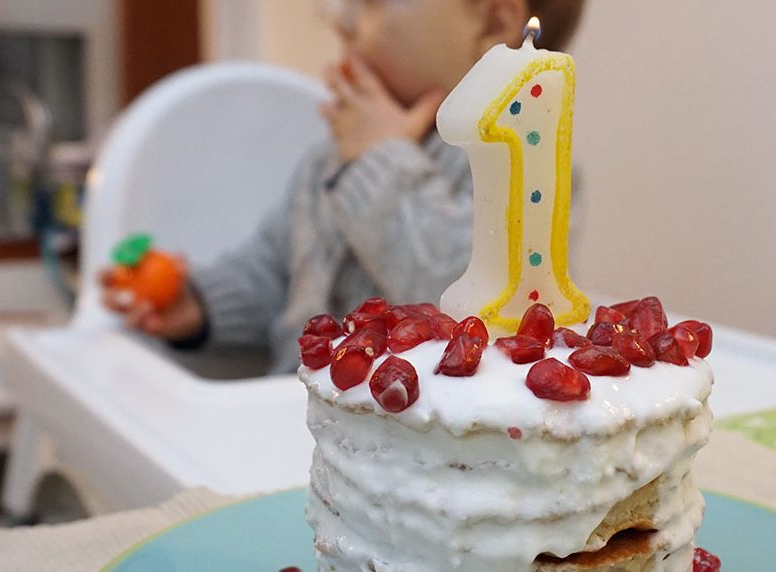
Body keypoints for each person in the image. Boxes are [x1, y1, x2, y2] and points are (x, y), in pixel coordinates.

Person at [102, 0, 585, 373]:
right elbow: (273, 274)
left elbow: (463, 302)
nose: (343, 22)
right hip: (284, 423)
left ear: (494, 24)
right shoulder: (327, 161)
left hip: (402, 448)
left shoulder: (524, 165)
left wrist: (376, 161)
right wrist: (199, 304)